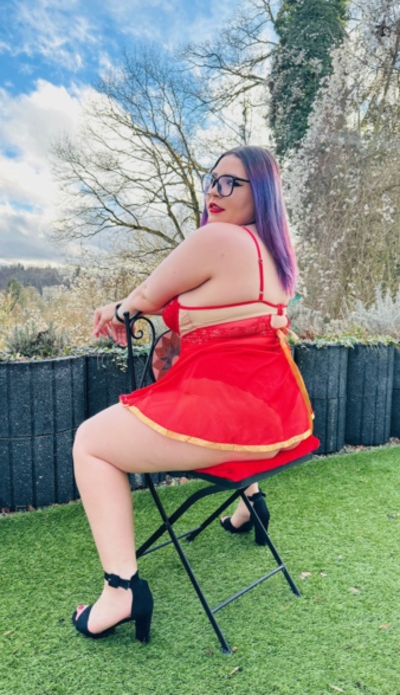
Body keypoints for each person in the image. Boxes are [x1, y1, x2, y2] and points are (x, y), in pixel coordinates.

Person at [71, 145, 319, 642]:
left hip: (227, 418)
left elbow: (146, 296)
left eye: (230, 183)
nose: (213, 191)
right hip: (274, 421)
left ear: (261, 192)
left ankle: (121, 591)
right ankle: (250, 505)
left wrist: (115, 311)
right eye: (212, 180)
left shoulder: (219, 237)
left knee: (90, 443)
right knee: (201, 404)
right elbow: (224, 320)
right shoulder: (274, 255)